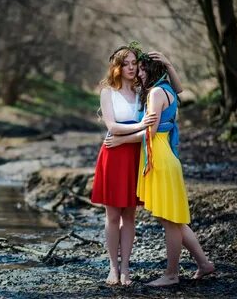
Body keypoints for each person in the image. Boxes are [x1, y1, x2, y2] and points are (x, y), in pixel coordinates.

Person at [104, 53, 215, 286]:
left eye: (142, 69)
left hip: (161, 157)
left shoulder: (155, 93)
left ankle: (172, 274)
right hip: (166, 156)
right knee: (175, 220)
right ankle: (204, 264)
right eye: (135, 68)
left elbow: (150, 132)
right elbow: (180, 88)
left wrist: (121, 141)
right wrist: (168, 63)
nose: (138, 73)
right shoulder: (167, 90)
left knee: (169, 219)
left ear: (153, 71)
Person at [91, 42, 183, 286]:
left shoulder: (145, 88)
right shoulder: (107, 92)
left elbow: (175, 90)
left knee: (130, 216)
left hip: (137, 155)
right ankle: (112, 268)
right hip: (114, 152)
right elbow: (111, 126)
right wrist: (141, 126)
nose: (131, 68)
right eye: (126, 64)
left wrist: (167, 63)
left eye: (134, 63)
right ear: (117, 67)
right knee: (112, 215)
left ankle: (125, 270)